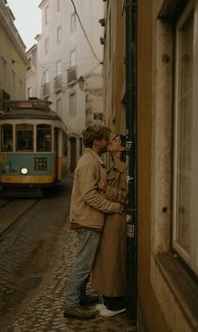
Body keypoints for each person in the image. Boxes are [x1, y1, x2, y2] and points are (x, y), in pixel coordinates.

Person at [64, 124, 124, 320]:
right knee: (82, 263)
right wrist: (113, 207)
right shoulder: (89, 162)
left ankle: (80, 297)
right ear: (97, 142)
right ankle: (71, 305)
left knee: (85, 261)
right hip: (88, 220)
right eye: (106, 138)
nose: (108, 141)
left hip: (89, 219)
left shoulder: (92, 160)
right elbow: (89, 195)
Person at [91, 134, 129, 317]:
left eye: (115, 141)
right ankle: (108, 300)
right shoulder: (112, 165)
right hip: (109, 216)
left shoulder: (125, 168)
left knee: (113, 260)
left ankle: (117, 304)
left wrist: (107, 190)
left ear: (121, 148)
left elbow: (126, 195)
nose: (111, 143)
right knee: (106, 259)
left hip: (117, 219)